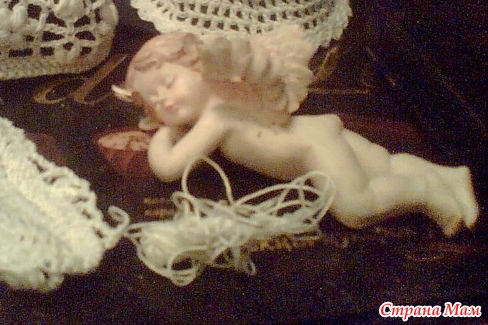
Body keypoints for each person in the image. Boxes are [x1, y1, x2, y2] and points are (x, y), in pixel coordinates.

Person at [114, 25, 479, 237]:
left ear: (199, 67)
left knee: (357, 208)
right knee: (385, 165)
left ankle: (426, 192)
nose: (164, 101)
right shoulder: (226, 101)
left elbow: (168, 168)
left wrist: (163, 135)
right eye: (153, 101)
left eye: (169, 83)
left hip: (313, 150)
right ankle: (448, 175)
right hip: (316, 134)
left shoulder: (217, 116)